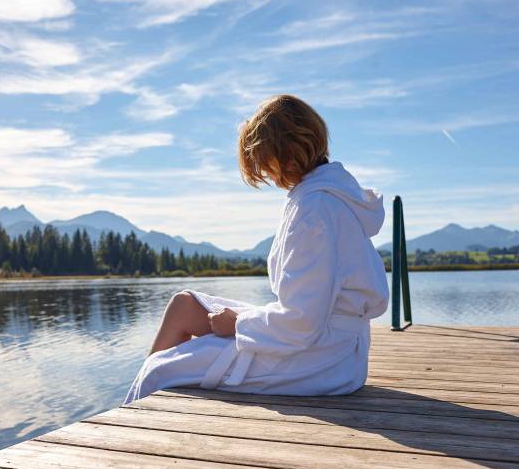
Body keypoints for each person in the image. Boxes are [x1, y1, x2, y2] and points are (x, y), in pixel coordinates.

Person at [124, 94, 389, 404]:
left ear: (282, 152)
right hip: (328, 344)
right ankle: (132, 415)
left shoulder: (315, 210)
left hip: (321, 360)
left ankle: (127, 426)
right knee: (184, 306)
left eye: (265, 162)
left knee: (159, 370)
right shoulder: (327, 196)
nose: (267, 174)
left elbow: (303, 322)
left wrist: (237, 324)